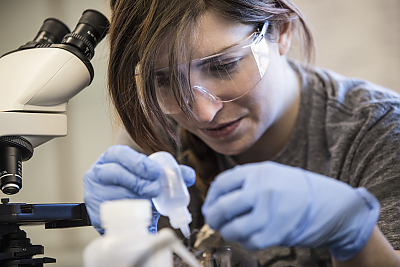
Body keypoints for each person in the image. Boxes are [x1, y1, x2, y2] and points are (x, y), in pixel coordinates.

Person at [83, 0, 400, 266]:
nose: (202, 113)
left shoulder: (378, 129)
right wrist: (128, 243)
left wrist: (355, 234)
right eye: (163, 80)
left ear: (282, 30)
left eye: (223, 66)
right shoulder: (155, 132)